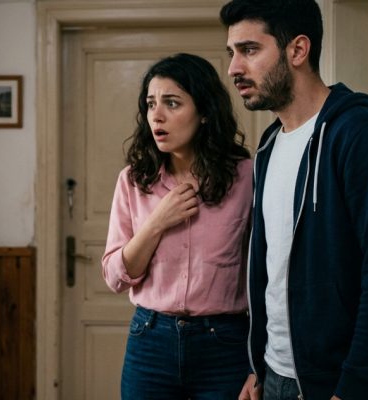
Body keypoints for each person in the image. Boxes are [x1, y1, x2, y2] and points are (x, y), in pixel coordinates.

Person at [220, 1, 368, 399]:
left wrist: (353, 388)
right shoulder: (269, 145)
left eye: (249, 50)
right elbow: (272, 270)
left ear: (297, 50)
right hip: (275, 376)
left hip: (341, 385)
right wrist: (258, 367)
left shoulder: (362, 136)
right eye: (232, 53)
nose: (234, 68)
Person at [101, 53, 254, 399]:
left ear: (204, 112)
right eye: (150, 104)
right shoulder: (133, 181)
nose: (156, 115)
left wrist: (258, 363)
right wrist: (157, 222)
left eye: (172, 103)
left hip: (225, 345)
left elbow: (267, 274)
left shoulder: (247, 177)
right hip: (151, 341)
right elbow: (115, 277)